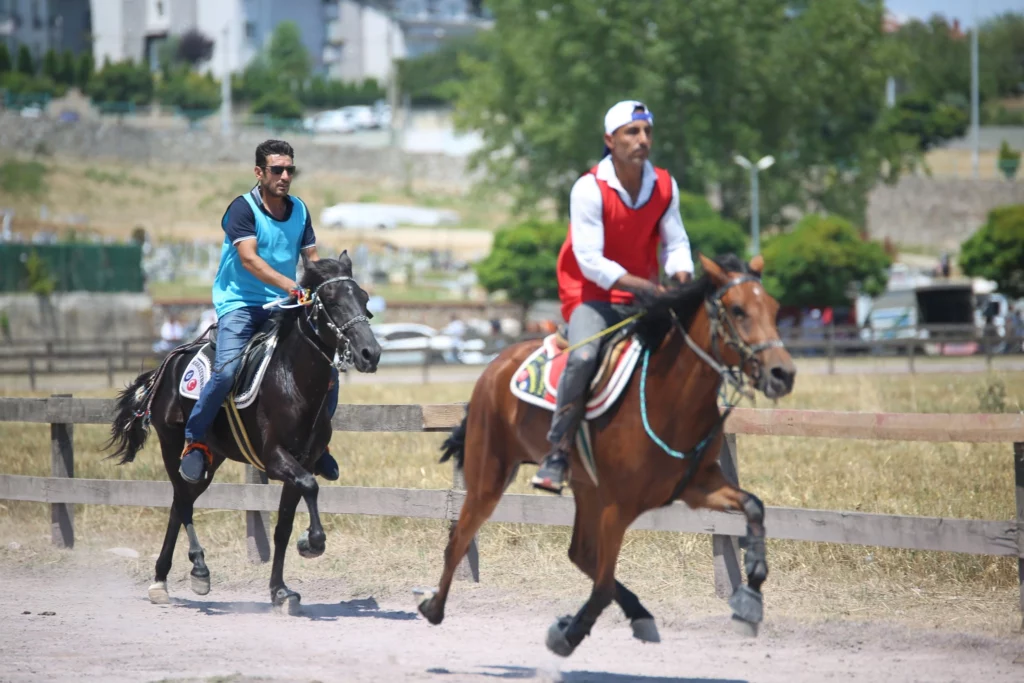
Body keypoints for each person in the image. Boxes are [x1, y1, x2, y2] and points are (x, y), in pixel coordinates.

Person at [531, 100, 694, 494]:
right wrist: (646, 287)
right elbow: (589, 261)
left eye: (647, 132)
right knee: (584, 356)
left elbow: (677, 243)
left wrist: (683, 277)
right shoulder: (588, 188)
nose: (643, 140)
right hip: (591, 297)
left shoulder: (665, 186)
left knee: (694, 348)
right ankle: (558, 452)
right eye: (632, 132)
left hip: (645, 296)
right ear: (610, 140)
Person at [179, 139, 341, 484]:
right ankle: (195, 442)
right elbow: (249, 259)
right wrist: (291, 287)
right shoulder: (242, 209)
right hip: (240, 305)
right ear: (259, 172)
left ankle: (319, 447)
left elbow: (311, 260)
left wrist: (325, 287)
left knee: (329, 372)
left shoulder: (299, 210)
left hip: (284, 306)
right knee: (225, 373)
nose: (284, 176)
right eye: (277, 170)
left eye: (289, 170)